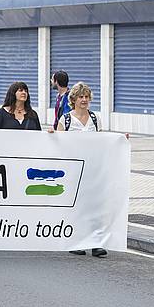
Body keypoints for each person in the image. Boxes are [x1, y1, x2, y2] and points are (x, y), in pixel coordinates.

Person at [54, 82, 107, 258]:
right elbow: (58, 144)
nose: (84, 100)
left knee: (94, 206)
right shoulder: (66, 119)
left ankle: (96, 243)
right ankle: (77, 240)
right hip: (74, 169)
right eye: (81, 97)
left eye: (86, 97)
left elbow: (103, 141)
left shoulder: (95, 118)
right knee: (77, 206)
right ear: (74, 100)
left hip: (92, 168)